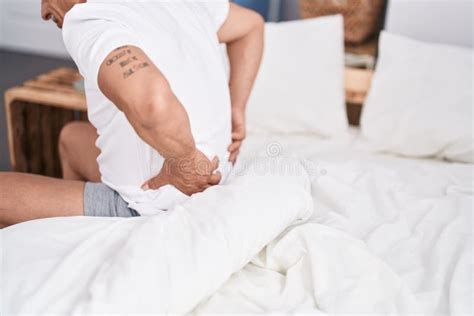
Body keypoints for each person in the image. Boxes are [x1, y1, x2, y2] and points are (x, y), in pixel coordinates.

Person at [0, 0, 264, 228]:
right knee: (71, 137)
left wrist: (186, 163)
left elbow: (152, 101)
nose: (44, 12)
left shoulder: (89, 19)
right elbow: (251, 26)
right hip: (218, 180)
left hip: (154, 203)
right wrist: (236, 108)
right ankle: (80, 239)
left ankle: (107, 230)